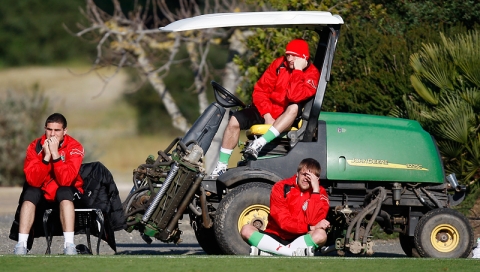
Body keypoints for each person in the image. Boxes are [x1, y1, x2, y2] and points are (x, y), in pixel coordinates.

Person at [211, 38, 320, 177]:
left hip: (285, 116)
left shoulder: (312, 75)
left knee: (293, 107)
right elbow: (260, 90)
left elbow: (294, 97)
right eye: (288, 54)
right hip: (266, 110)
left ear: (304, 57)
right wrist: (267, 114)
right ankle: (221, 166)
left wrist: (298, 71)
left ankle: (259, 144)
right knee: (234, 120)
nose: (289, 58)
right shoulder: (279, 64)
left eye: (294, 55)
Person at [13, 113, 85, 255]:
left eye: (57, 130)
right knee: (30, 192)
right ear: (45, 129)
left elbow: (66, 180)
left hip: (66, 192)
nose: (52, 134)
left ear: (65, 131)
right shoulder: (35, 146)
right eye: (49, 130)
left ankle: (69, 245)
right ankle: (21, 245)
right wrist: (46, 157)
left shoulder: (74, 147)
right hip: (43, 192)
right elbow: (33, 180)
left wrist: (56, 155)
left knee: (64, 191)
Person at [240, 158, 330, 256]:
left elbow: (313, 221)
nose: (306, 179)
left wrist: (315, 191)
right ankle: (291, 253)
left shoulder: (320, 193)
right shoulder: (280, 187)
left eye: (310, 176)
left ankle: (271, 252)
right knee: (246, 230)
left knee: (321, 235)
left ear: (317, 179)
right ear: (297, 173)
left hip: (302, 237)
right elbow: (283, 221)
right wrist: (309, 227)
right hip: (276, 235)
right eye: (304, 174)